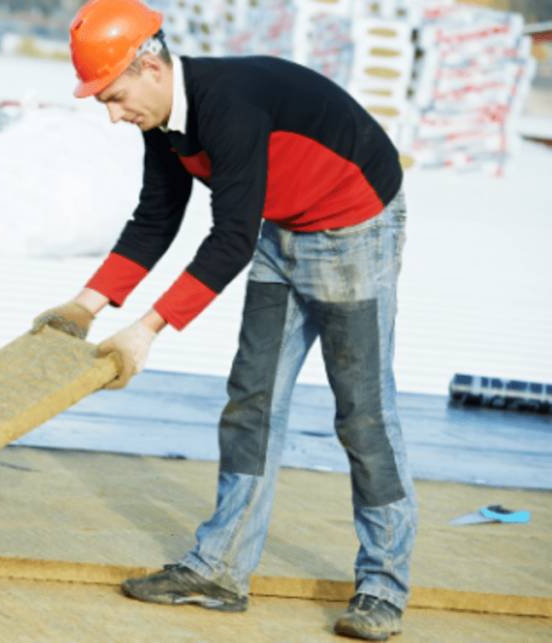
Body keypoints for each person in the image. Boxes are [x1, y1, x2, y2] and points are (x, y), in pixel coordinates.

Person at [30, 0, 417, 639]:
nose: (112, 113)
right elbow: (157, 217)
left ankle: (382, 589)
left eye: (114, 95)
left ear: (149, 64)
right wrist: (87, 304)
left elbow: (230, 240)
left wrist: (146, 330)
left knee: (363, 414)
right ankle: (220, 570)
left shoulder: (229, 106)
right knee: (251, 402)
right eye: (101, 100)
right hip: (283, 227)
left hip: (355, 230)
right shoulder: (162, 124)